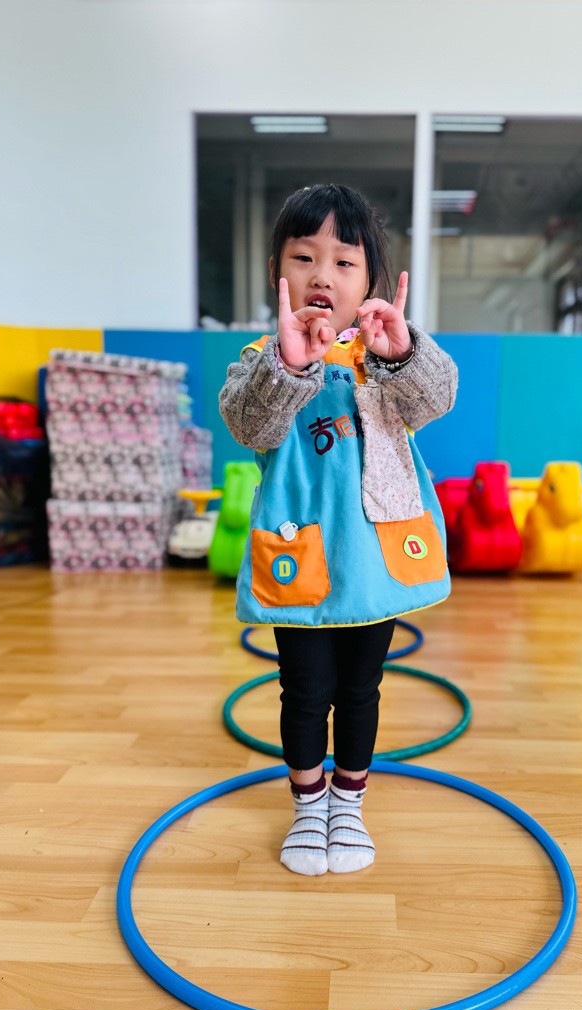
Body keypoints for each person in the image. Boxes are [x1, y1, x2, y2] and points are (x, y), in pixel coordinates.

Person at [219, 184, 457, 876]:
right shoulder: (262, 358)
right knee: (304, 691)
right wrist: (291, 364)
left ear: (370, 282)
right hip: (302, 554)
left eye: (344, 262)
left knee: (360, 689)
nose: (323, 274)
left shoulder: (384, 354)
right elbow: (249, 424)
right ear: (277, 273)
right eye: (304, 257)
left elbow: (437, 399)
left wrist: (403, 353)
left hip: (374, 556)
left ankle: (348, 803)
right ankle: (307, 804)